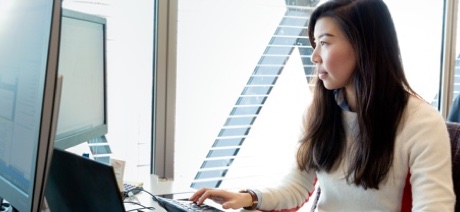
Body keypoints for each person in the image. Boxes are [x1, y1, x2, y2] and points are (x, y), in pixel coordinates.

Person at [189, 0, 456, 211]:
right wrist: (247, 198)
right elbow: (296, 188)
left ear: (365, 47)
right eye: (314, 44)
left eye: (325, 43)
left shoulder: (420, 122)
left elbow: (433, 207)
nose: (315, 56)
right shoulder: (320, 113)